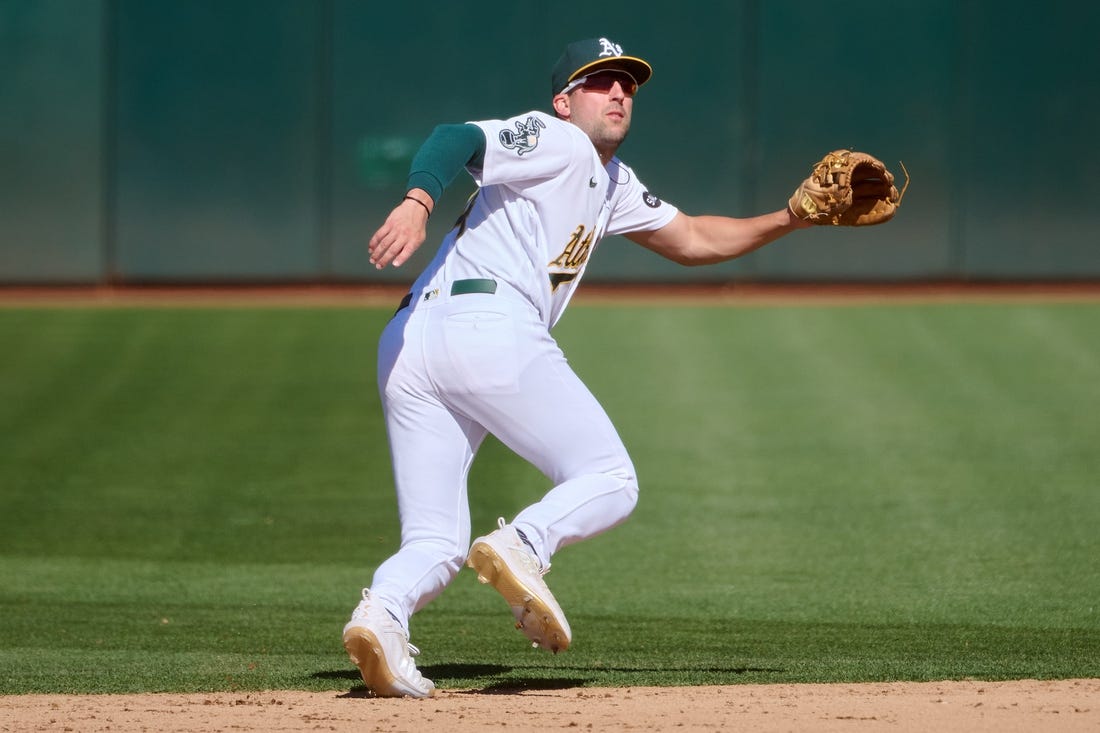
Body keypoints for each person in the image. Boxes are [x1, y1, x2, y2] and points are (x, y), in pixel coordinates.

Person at [342, 36, 812, 698]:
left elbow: (696, 238)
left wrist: (794, 216)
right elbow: (457, 136)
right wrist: (418, 201)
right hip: (489, 325)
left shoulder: (612, 182)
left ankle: (381, 615)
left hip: (412, 340)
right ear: (564, 102)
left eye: (627, 82)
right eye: (600, 81)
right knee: (611, 477)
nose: (619, 91)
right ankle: (526, 544)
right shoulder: (557, 140)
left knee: (435, 540)